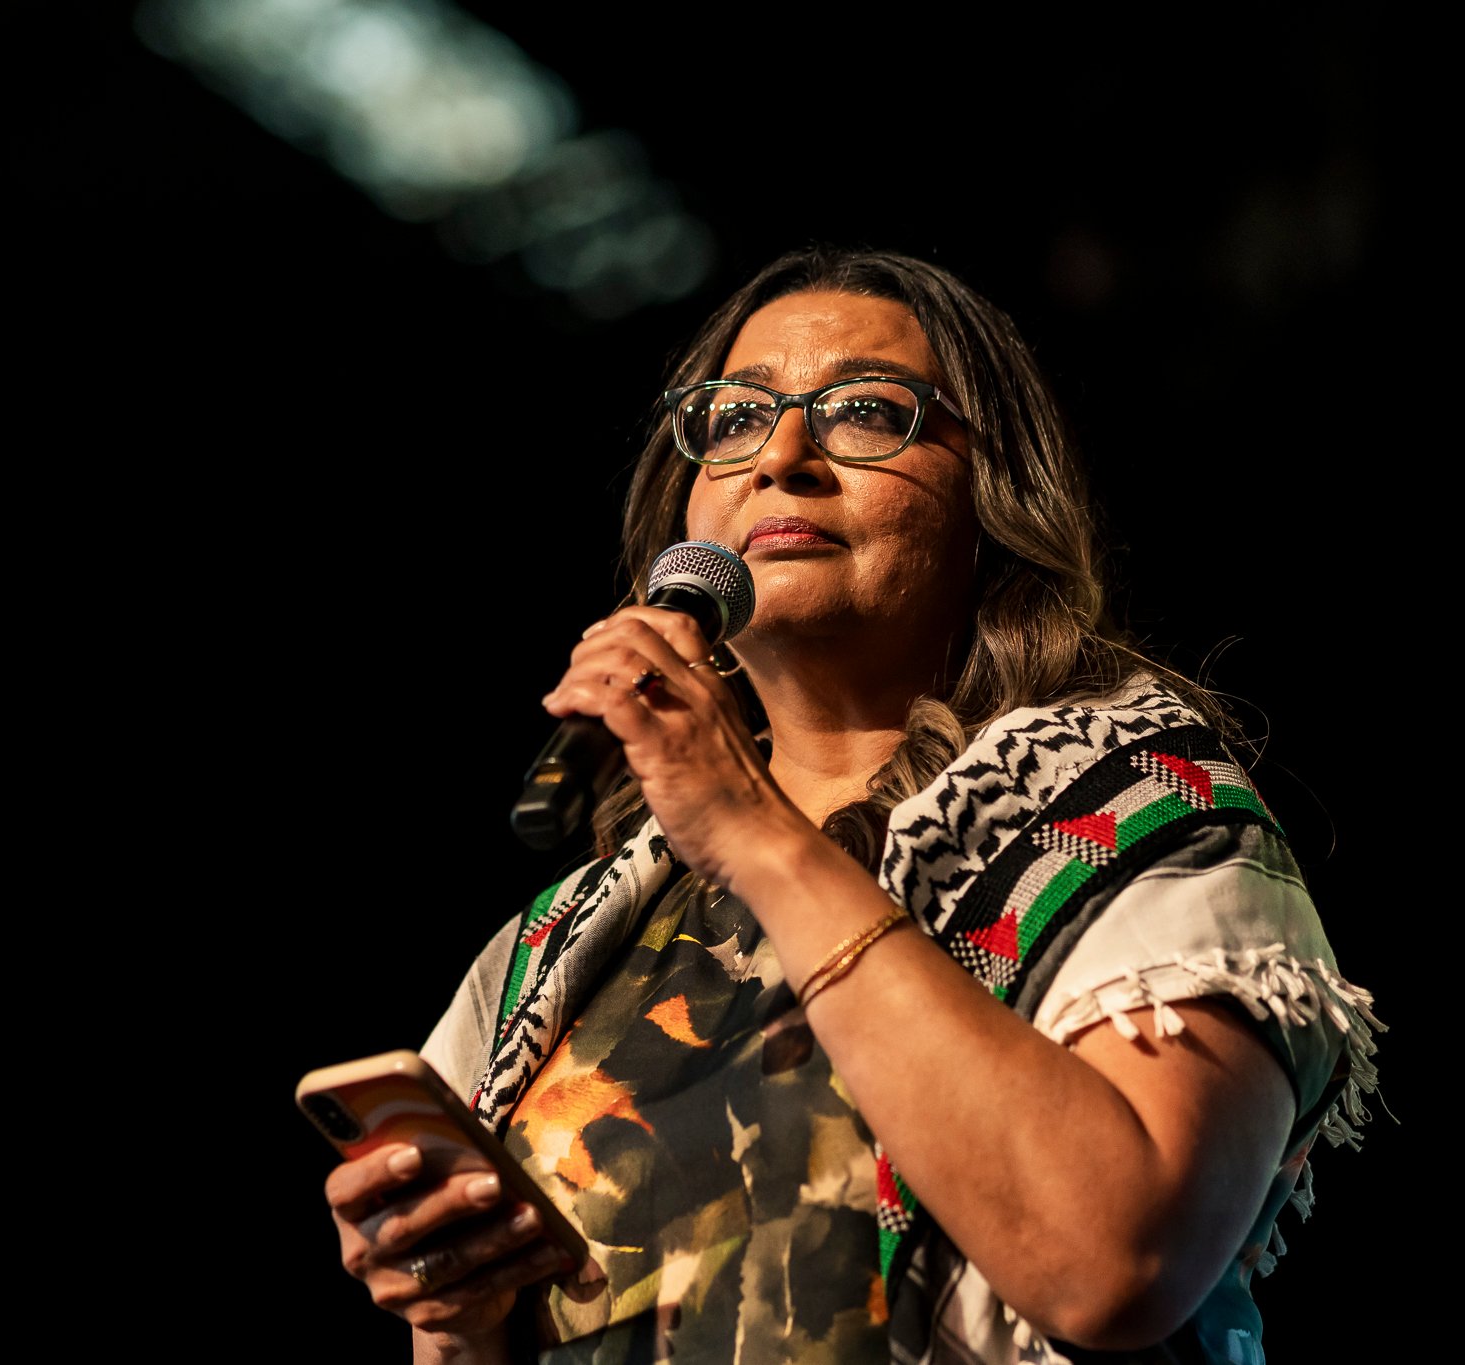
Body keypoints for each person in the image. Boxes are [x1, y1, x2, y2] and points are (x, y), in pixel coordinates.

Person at [322, 245, 1386, 1364]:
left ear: (995, 488)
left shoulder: (1137, 821)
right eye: (732, 418)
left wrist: (751, 830)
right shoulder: (550, 956)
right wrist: (462, 1315)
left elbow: (1111, 1265)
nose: (780, 456)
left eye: (867, 412)